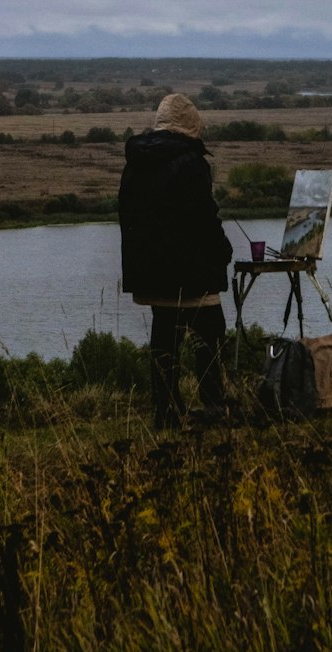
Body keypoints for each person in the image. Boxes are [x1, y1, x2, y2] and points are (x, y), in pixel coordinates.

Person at [118, 93, 234, 427]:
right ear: (191, 125)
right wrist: (223, 251)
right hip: (191, 272)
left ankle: (166, 412)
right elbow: (203, 218)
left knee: (164, 341)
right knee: (210, 334)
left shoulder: (136, 162)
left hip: (151, 274)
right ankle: (213, 407)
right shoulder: (191, 163)